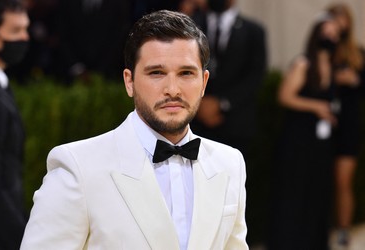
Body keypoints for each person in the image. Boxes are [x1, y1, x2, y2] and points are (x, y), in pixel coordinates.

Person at [20, 10, 248, 250]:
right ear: (129, 82)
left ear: (203, 82)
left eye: (186, 73)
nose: (173, 89)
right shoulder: (78, 167)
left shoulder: (230, 163)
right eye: (157, 73)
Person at [268, 14, 340, 250]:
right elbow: (284, 96)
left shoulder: (332, 66)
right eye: (326, 33)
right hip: (297, 140)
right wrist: (316, 107)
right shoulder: (303, 63)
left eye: (334, 34)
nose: (330, 37)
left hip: (320, 144)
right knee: (294, 192)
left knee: (317, 192)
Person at [191, 0, 267, 159]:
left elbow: (255, 76)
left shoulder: (254, 31)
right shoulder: (190, 26)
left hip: (236, 126)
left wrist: (221, 103)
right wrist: (198, 105)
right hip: (193, 125)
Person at [0, 0, 29, 249]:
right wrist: (23, 238)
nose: (25, 38)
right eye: (15, 31)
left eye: (26, 29)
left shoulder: (0, 84)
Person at [327, 3, 364, 248]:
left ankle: (343, 228)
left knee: (343, 181)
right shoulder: (322, 50)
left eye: (343, 19)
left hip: (349, 126)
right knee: (319, 179)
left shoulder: (358, 52)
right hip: (322, 125)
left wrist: (354, 80)